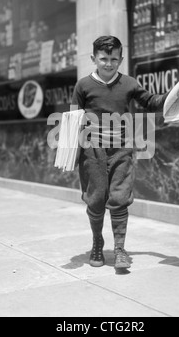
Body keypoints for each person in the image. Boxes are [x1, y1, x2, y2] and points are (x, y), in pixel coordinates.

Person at [72, 36, 169, 270]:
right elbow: (72, 119)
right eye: (103, 59)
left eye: (114, 59)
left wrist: (172, 96)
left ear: (121, 59)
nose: (108, 64)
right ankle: (97, 242)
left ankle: (119, 248)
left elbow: (150, 101)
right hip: (92, 151)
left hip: (122, 149)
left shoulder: (129, 84)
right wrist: (72, 154)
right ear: (93, 58)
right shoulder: (83, 86)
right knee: (95, 200)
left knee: (119, 198)